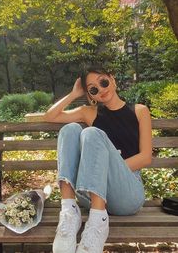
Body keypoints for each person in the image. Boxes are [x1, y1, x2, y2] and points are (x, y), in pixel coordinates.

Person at [43, 66, 152, 253]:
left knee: (92, 133)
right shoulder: (89, 112)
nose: (101, 89)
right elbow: (49, 116)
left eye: (103, 82)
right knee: (70, 129)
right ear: (91, 95)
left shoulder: (139, 111)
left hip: (127, 193)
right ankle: (69, 213)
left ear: (113, 80)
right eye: (93, 89)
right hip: (91, 196)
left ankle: (98, 222)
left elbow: (145, 158)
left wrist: (106, 168)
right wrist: (74, 93)